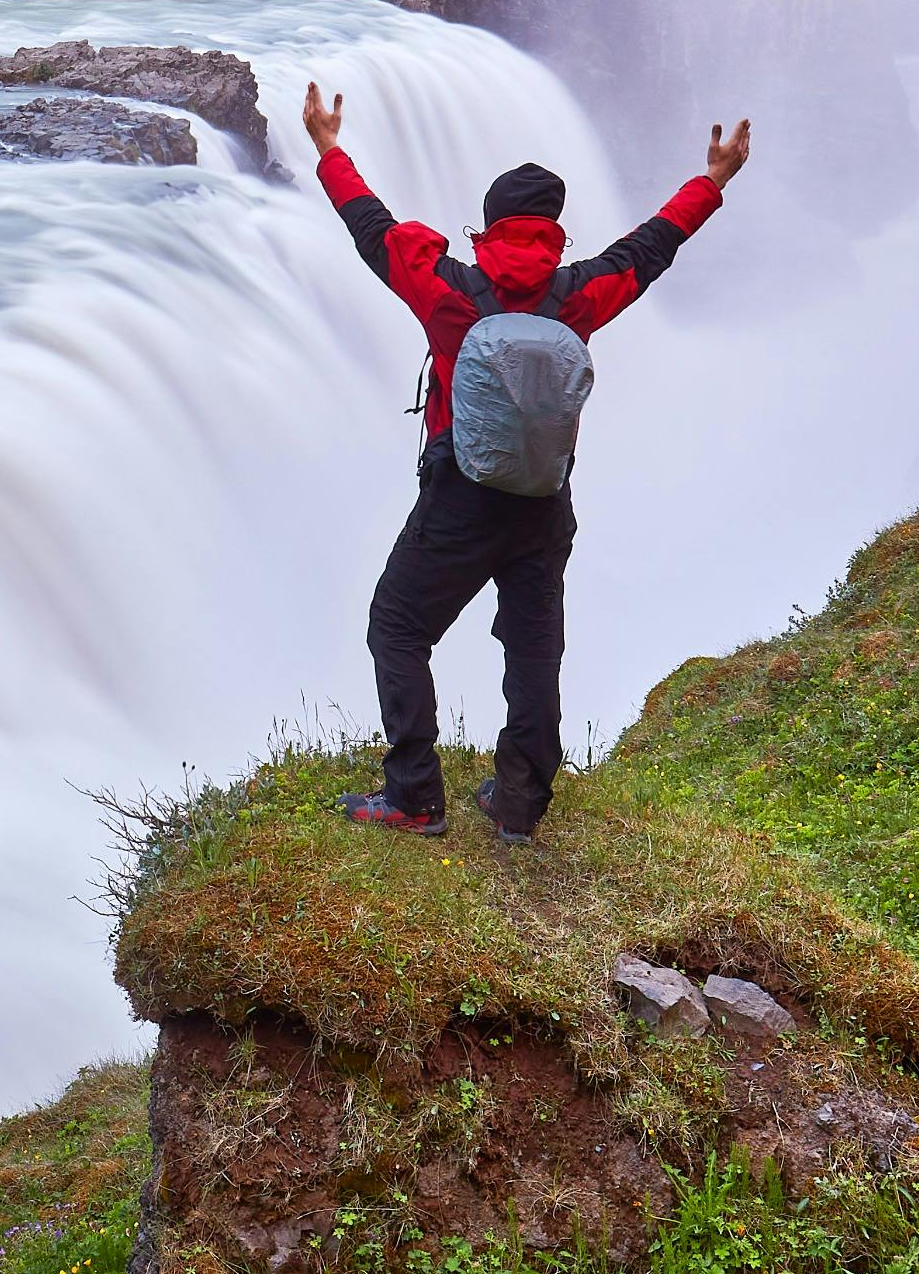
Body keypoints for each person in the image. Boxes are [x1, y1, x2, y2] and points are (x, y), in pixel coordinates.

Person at [300, 80, 748, 840]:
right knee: (535, 642)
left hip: (460, 499)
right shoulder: (577, 295)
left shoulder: (445, 287)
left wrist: (328, 148)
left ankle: (414, 796)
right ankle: (518, 809)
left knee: (398, 626)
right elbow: (651, 247)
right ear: (553, 235)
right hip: (543, 500)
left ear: (487, 227)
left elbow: (369, 227)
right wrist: (712, 180)